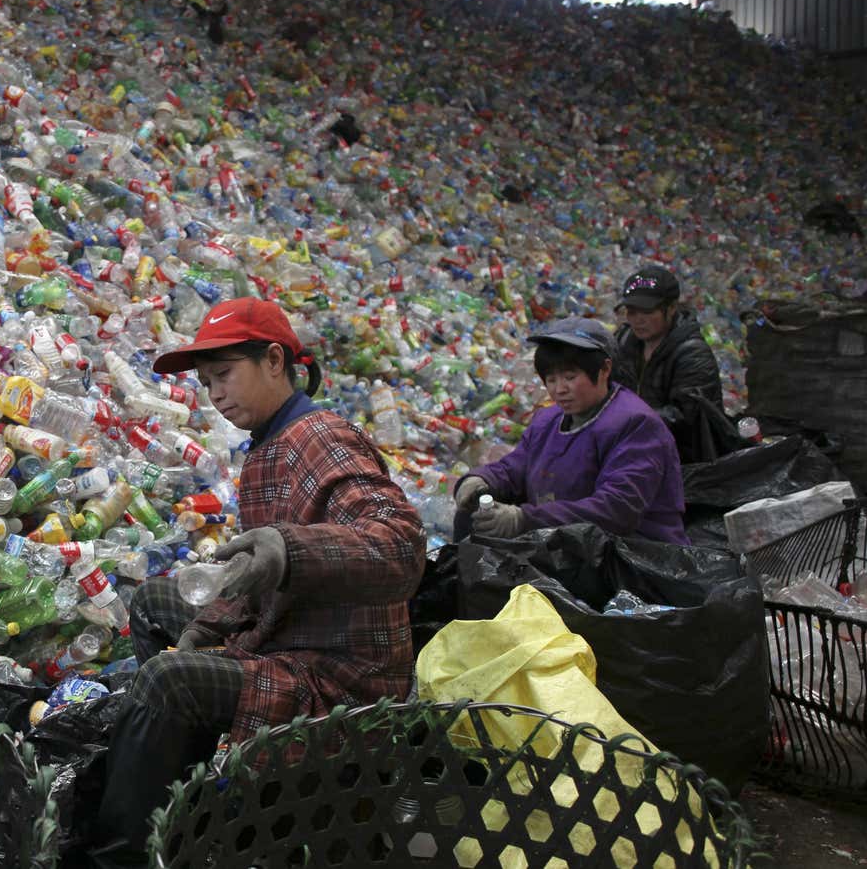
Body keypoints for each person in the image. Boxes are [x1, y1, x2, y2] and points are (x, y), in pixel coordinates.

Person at [84, 298, 425, 867]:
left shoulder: (322, 440)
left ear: (273, 361)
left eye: (224, 375)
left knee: (170, 680)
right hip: (289, 634)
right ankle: (185, 775)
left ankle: (122, 853)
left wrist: (291, 550)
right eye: (207, 382)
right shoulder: (269, 444)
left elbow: (402, 548)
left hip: (339, 677)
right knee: (155, 604)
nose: (215, 395)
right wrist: (209, 623)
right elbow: (261, 580)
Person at [453, 317, 690, 545]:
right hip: (567, 544)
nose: (559, 390)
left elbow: (617, 509)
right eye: (551, 379)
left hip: (634, 553)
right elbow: (518, 465)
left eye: (570, 377)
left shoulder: (636, 425)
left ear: (605, 369)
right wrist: (482, 479)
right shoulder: (548, 420)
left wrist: (524, 519)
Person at [609, 267, 725, 462]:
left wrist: (627, 421)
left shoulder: (692, 353)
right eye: (632, 311)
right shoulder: (624, 341)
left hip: (680, 458)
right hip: (633, 448)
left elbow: (688, 418)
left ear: (671, 308)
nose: (638, 320)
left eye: (647, 311)